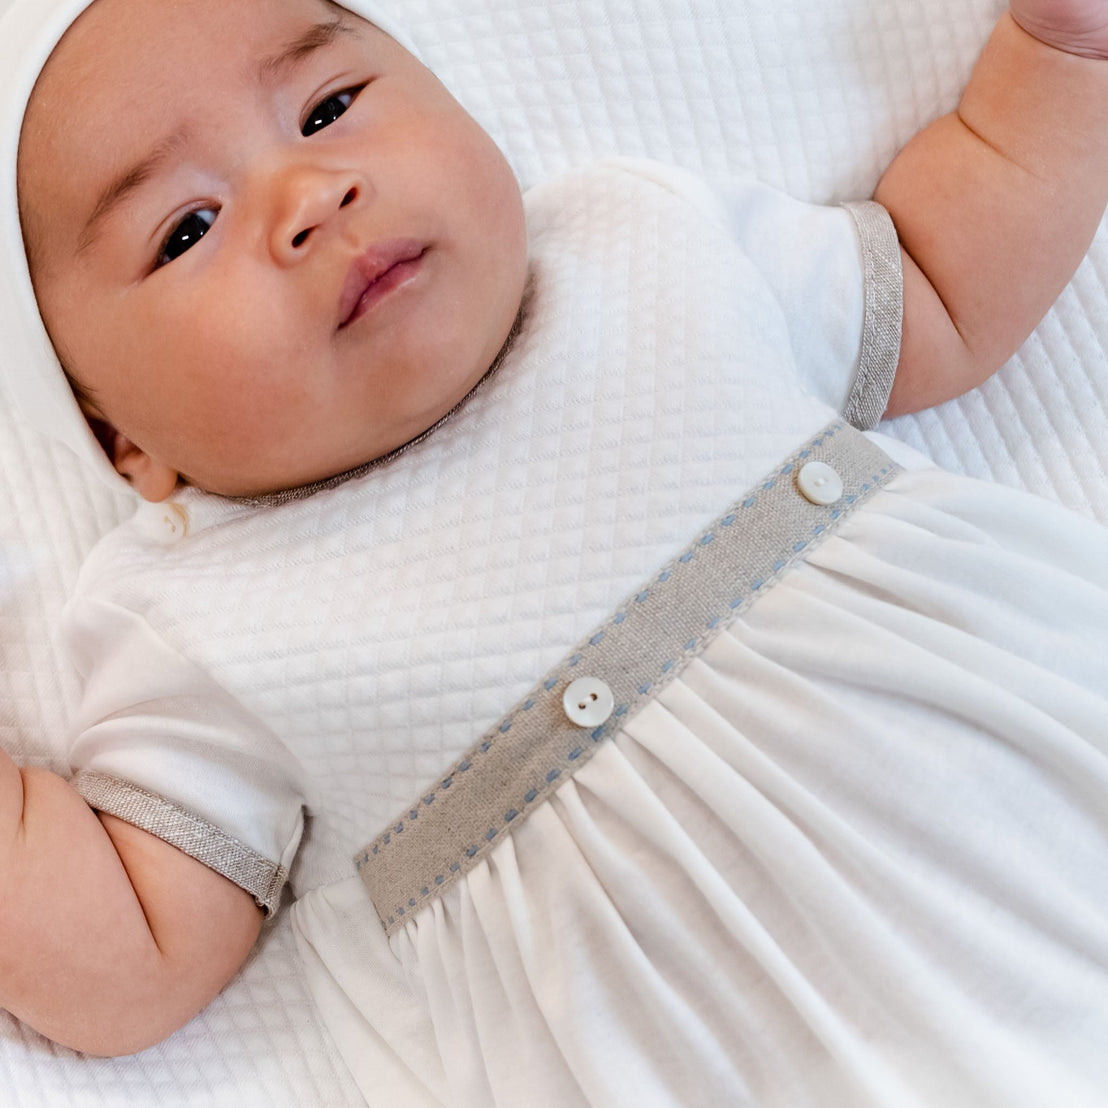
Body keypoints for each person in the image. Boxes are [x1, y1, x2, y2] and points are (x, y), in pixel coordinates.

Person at [1, 0, 1108, 1103]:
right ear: (122, 442)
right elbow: (132, 951)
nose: (308, 194)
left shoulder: (640, 244)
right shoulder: (196, 619)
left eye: (329, 107)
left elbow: (933, 280)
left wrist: (1059, 57)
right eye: (185, 228)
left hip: (1034, 825)